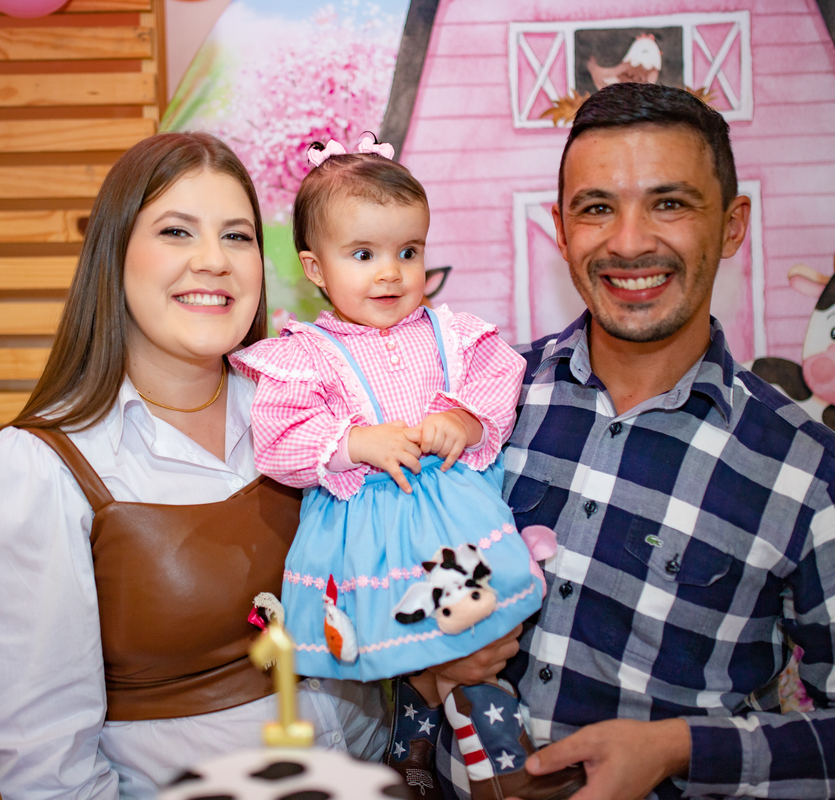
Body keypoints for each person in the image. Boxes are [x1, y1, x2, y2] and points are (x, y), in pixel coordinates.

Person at [437, 82, 835, 800]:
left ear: (732, 226)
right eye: (596, 208)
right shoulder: (479, 406)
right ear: (561, 229)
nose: (629, 242)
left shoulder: (817, 478)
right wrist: (421, 665)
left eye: (669, 204)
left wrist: (681, 750)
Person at [0, 132, 387, 800]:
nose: (213, 261)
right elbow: (46, 771)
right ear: (115, 254)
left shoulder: (324, 418)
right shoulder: (37, 466)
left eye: (237, 236)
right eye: (176, 231)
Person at [229, 133, 584, 800]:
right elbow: (279, 443)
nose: (391, 273)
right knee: (409, 648)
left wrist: (465, 421)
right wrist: (355, 443)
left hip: (452, 522)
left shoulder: (451, 334)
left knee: (476, 641)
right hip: (368, 537)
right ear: (315, 268)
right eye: (363, 255)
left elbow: (498, 380)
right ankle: (426, 748)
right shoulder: (308, 354)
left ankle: (486, 759)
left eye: (408, 252)